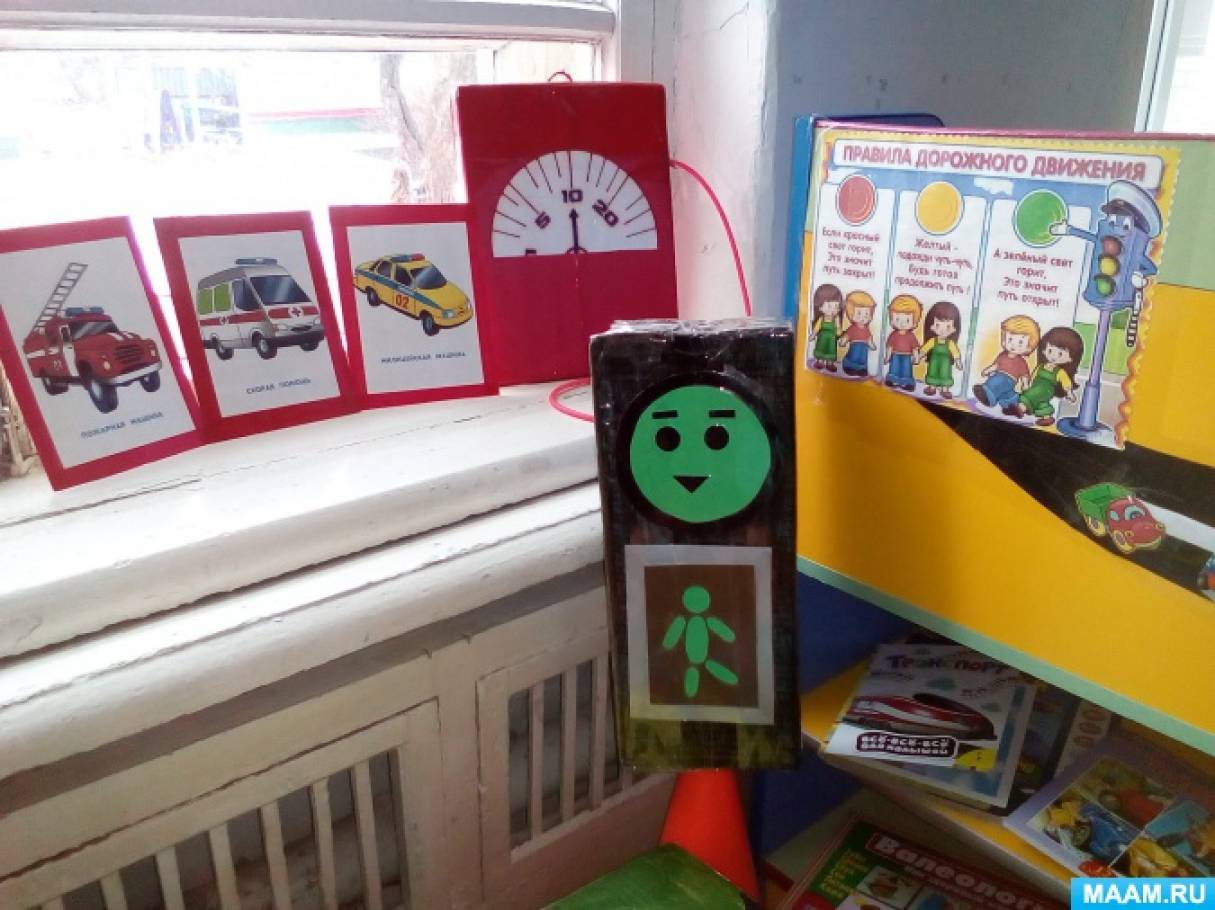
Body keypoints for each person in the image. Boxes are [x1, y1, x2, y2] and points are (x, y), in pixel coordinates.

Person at [1015, 326, 1084, 427]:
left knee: (1032, 394)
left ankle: (1021, 408)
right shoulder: (1041, 366)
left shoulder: (1060, 372)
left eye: (1060, 354)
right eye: (1050, 351)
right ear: (1044, 350)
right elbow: (1034, 375)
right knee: (1041, 403)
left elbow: (1066, 383)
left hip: (1046, 389)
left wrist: (1069, 393)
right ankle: (1047, 417)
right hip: (1036, 386)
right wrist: (1028, 384)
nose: (1054, 356)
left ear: (1070, 359)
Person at [973, 315, 1040, 413]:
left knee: (996, 380)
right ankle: (1013, 404)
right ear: (1004, 339)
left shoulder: (1021, 362)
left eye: (1020, 342)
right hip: (1002, 377)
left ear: (1028, 347)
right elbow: (996, 365)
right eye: (1010, 339)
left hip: (1008, 379)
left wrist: (1025, 385)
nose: (1013, 344)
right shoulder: (1002, 355)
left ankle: (988, 395)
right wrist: (987, 370)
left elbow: (1024, 375)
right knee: (1006, 394)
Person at [918, 301, 964, 398]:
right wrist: (919, 357)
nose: (942, 330)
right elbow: (924, 350)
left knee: (945, 374)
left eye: (948, 326)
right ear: (931, 326)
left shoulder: (950, 343)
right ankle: (932, 387)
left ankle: (945, 389)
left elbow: (955, 353)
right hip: (934, 362)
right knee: (932, 372)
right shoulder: (932, 341)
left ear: (954, 328)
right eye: (938, 325)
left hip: (945, 363)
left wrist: (958, 362)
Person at [883, 294, 922, 392]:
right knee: (894, 367)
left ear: (914, 322)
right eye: (897, 319)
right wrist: (887, 357)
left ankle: (906, 382)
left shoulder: (911, 336)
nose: (902, 323)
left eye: (907, 320)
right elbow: (889, 347)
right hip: (895, 354)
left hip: (907, 356)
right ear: (892, 320)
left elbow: (915, 348)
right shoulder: (893, 335)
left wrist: (916, 357)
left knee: (906, 369)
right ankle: (893, 380)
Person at [840, 290, 878, 377]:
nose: (862, 317)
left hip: (864, 348)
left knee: (863, 357)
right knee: (854, 355)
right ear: (851, 314)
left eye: (866, 314)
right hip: (855, 346)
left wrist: (872, 345)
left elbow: (869, 339)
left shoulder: (867, 330)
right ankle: (849, 366)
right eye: (859, 313)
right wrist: (843, 341)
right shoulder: (852, 328)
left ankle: (862, 368)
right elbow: (847, 336)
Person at [808, 284, 844, 372]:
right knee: (821, 348)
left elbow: (838, 333)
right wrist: (813, 335)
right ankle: (820, 361)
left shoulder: (836, 320)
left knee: (831, 350)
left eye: (836, 306)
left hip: (832, 340)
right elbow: (816, 328)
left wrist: (838, 325)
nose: (833, 309)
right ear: (820, 307)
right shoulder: (821, 319)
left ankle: (830, 363)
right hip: (822, 339)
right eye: (829, 306)